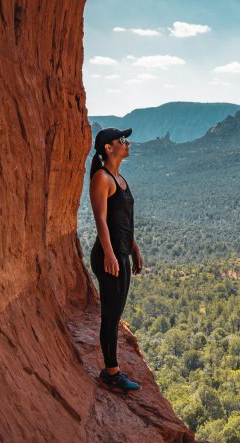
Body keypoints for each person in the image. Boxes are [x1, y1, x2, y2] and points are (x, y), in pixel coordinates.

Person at [89, 127, 143, 392]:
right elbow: (100, 218)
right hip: (108, 256)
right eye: (121, 140)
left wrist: (133, 248)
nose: (127, 142)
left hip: (121, 253)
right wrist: (109, 253)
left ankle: (113, 369)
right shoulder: (102, 177)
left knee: (116, 312)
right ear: (108, 148)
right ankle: (111, 373)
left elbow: (123, 221)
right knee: (110, 316)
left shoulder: (120, 179)